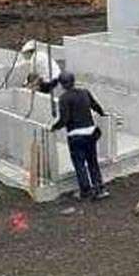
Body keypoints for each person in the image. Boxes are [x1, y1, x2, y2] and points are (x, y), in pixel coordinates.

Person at [50, 72, 110, 200]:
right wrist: (103, 114)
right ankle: (100, 189)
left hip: (76, 135)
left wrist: (54, 127)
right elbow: (96, 106)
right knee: (92, 161)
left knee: (79, 164)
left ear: (62, 85)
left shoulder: (64, 98)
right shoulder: (84, 92)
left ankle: (86, 191)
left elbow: (64, 119)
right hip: (91, 132)